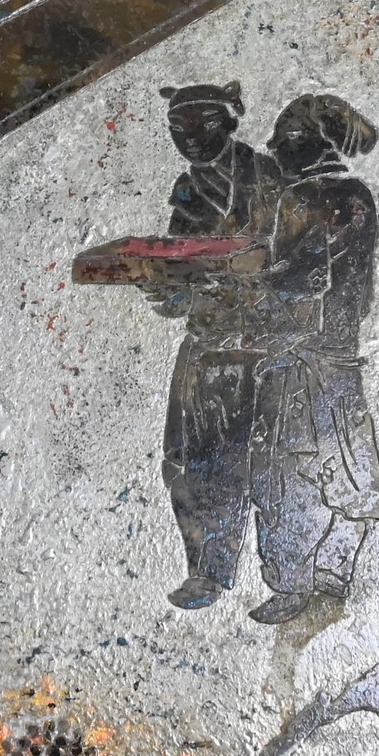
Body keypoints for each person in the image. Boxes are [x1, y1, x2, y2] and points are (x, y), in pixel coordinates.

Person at [242, 93, 379, 623]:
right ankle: (332, 569)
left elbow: (303, 278)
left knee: (286, 468)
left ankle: (292, 580)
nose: (277, 154)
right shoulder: (356, 195)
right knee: (345, 458)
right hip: (339, 350)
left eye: (283, 145)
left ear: (305, 145)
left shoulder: (306, 196)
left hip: (299, 353)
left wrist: (247, 280)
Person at [148, 81, 283, 610]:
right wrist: (164, 287)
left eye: (202, 124)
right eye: (177, 128)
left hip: (266, 343)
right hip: (208, 341)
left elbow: (294, 255)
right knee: (188, 460)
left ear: (229, 122)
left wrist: (243, 273)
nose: (189, 138)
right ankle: (207, 568)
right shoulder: (188, 191)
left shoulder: (269, 177)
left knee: (263, 459)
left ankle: (284, 573)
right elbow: (177, 277)